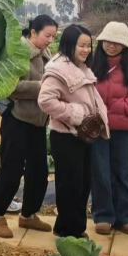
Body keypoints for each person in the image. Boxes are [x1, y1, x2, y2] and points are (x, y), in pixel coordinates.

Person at [0, 15, 58, 238]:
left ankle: (28, 215)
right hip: (17, 121)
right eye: (47, 35)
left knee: (38, 171)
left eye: (53, 36)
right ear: (33, 33)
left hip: (38, 121)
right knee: (11, 169)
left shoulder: (46, 54)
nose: (50, 40)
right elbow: (9, 86)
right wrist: (42, 87)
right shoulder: (17, 52)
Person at [38, 24, 108, 238]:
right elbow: (45, 100)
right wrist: (75, 113)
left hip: (82, 135)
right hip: (66, 136)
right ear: (70, 45)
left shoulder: (82, 67)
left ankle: (75, 228)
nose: (86, 50)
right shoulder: (58, 69)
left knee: (83, 183)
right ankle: (68, 231)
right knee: (70, 185)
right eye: (82, 46)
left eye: (89, 46)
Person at [88, 22, 128, 236]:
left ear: (125, 45)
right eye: (108, 41)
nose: (112, 46)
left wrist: (121, 107)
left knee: (122, 171)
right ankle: (103, 215)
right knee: (100, 171)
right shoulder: (91, 63)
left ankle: (126, 216)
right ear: (102, 41)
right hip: (96, 127)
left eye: (117, 42)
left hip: (121, 127)